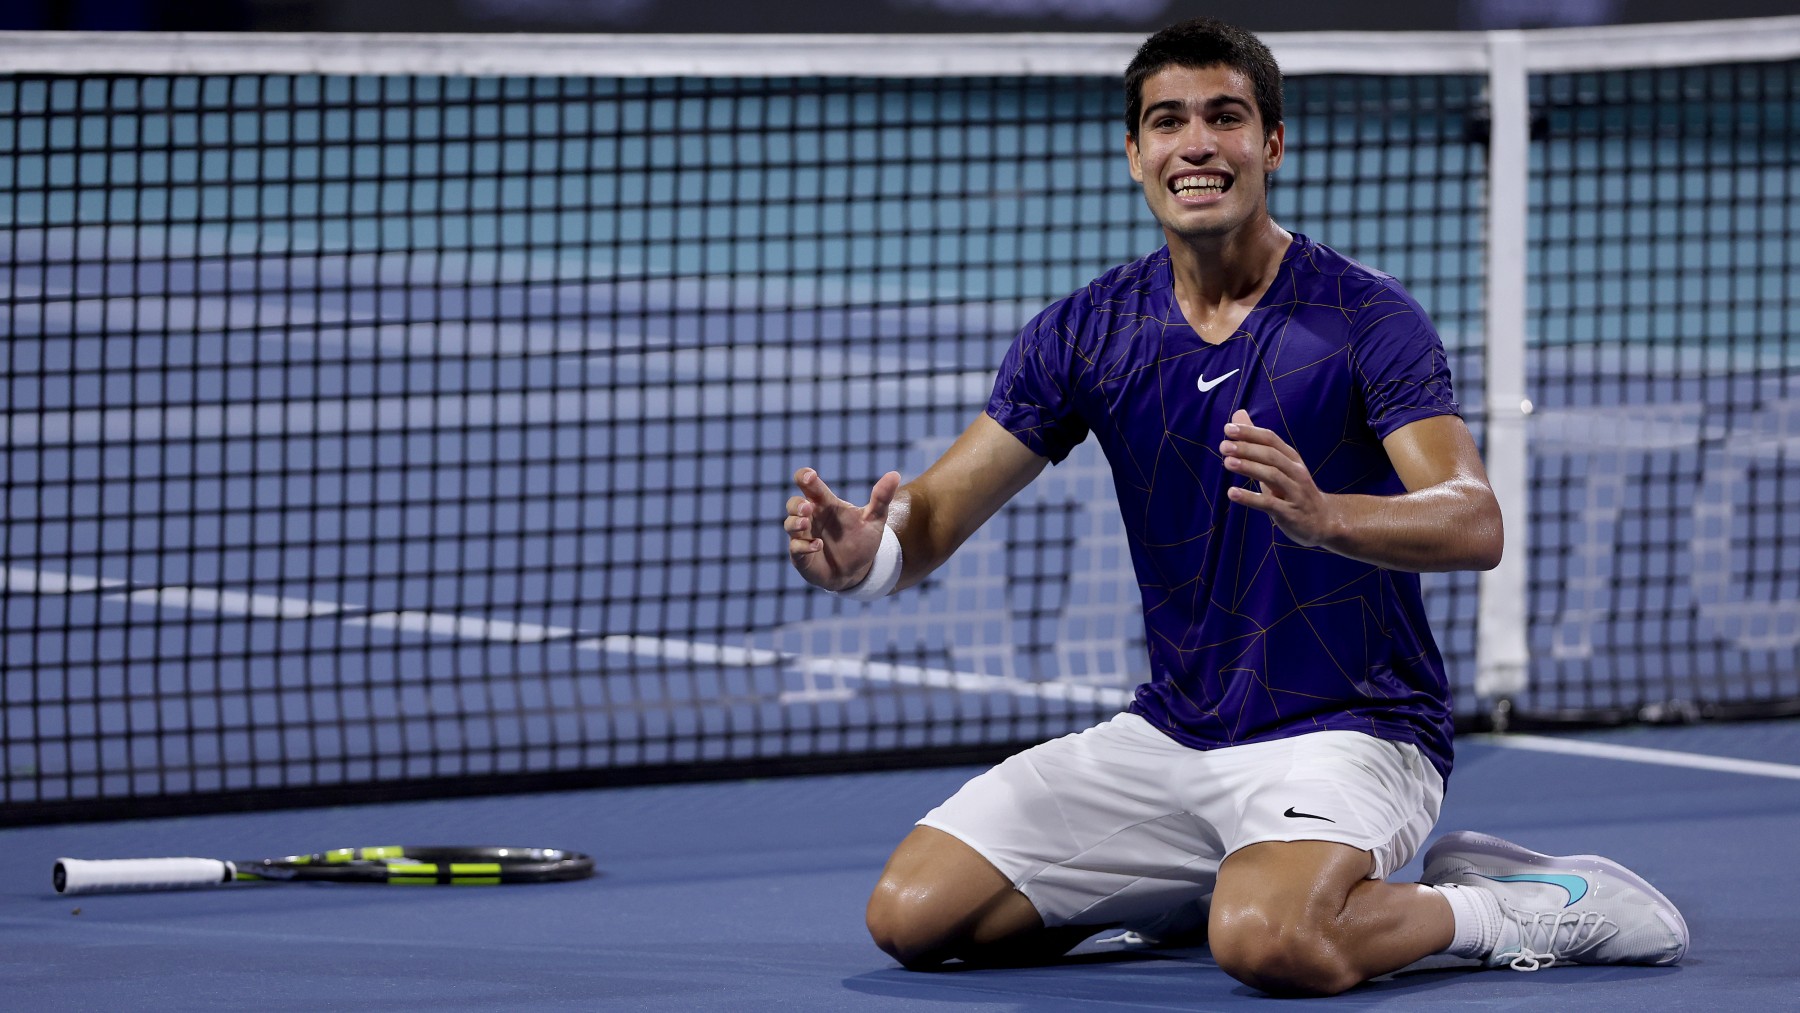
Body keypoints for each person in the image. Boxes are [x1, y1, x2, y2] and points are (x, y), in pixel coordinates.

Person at [781, 17, 1687, 997]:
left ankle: (1518, 903)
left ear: (1272, 144)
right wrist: (869, 553)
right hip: (1173, 732)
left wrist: (1327, 514)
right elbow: (938, 514)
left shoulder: (1362, 317)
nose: (1197, 143)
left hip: (1355, 728)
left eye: (1226, 116)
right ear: (1136, 154)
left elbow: (1474, 520)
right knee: (912, 915)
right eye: (1167, 121)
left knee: (1268, 942)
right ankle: (1198, 883)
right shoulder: (1085, 331)